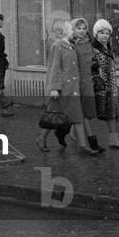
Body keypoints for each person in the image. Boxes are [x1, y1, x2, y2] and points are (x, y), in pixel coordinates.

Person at [40, 20, 101, 155]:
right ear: (65, 32)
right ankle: (41, 138)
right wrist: (54, 88)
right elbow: (54, 67)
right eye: (72, 29)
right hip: (63, 88)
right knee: (54, 116)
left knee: (77, 116)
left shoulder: (71, 46)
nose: (75, 31)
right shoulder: (58, 46)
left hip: (73, 87)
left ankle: (83, 145)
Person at [90, 19, 119, 149]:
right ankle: (75, 133)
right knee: (90, 113)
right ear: (96, 34)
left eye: (107, 33)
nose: (105, 35)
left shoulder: (108, 48)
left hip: (110, 87)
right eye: (102, 33)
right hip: (99, 87)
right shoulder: (93, 49)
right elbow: (91, 68)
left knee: (111, 113)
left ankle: (113, 139)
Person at [71, 17, 104, 152]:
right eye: (79, 28)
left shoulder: (88, 43)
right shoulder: (70, 44)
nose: (82, 31)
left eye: (84, 28)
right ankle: (91, 141)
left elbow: (91, 62)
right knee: (83, 114)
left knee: (86, 113)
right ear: (73, 29)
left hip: (87, 81)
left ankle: (69, 133)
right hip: (75, 82)